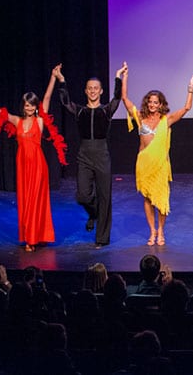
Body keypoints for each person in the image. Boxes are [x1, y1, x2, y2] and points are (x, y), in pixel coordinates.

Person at [0, 71, 65, 252]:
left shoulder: (40, 121)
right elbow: (0, 113)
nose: (29, 108)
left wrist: (52, 77)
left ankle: (33, 239)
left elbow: (47, 97)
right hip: (22, 167)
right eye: (26, 105)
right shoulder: (17, 121)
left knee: (36, 200)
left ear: (35, 107)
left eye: (32, 105)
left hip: (38, 166)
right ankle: (31, 236)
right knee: (26, 201)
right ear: (23, 106)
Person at [121, 63, 193, 246]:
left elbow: (187, 108)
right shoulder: (140, 117)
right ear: (147, 103)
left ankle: (161, 230)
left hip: (161, 165)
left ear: (161, 104)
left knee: (162, 199)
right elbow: (124, 98)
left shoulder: (167, 119)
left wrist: (191, 87)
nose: (153, 105)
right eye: (150, 102)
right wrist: (124, 75)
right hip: (144, 163)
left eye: (156, 102)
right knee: (148, 198)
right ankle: (152, 231)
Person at [54, 63, 126, 248]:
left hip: (102, 154)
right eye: (90, 89)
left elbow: (117, 98)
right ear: (85, 91)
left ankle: (102, 238)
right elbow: (64, 102)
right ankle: (94, 214)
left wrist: (118, 77)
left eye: (96, 88)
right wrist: (61, 81)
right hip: (84, 154)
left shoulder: (106, 110)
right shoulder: (79, 110)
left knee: (105, 196)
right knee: (83, 195)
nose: (93, 91)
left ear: (101, 91)